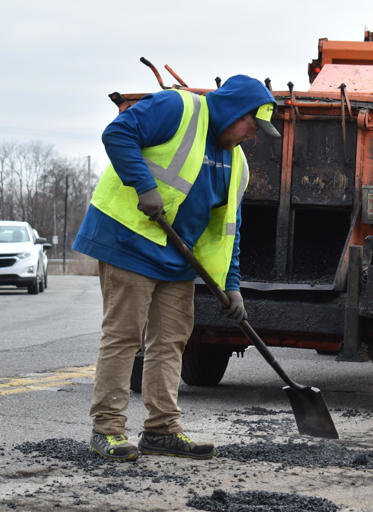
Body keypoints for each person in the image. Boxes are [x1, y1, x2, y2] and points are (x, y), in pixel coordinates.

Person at [73, 75, 281, 461]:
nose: (251, 136)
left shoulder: (237, 164)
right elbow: (117, 134)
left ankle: (162, 429)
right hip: (128, 241)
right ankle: (107, 429)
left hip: (175, 255)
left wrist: (231, 285)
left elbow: (228, 231)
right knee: (124, 336)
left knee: (171, 341)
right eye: (252, 126)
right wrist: (143, 185)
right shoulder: (177, 108)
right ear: (235, 111)